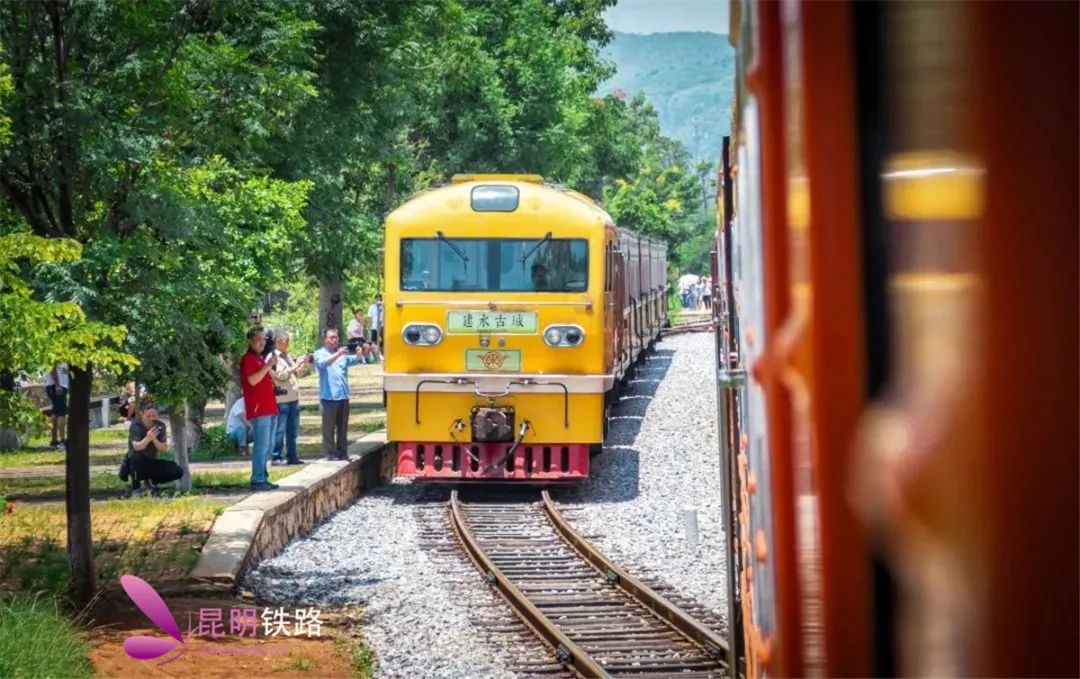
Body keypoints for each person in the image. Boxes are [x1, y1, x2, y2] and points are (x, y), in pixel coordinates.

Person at [240, 327, 280, 491]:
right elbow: (252, 380)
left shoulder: (259, 358)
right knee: (261, 445)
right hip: (259, 409)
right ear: (250, 341)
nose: (261, 343)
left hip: (269, 407)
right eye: (258, 340)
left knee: (269, 445)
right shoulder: (248, 359)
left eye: (264, 340)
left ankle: (263, 476)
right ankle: (257, 479)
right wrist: (268, 366)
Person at [313, 328, 361, 461]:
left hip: (343, 396)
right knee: (328, 428)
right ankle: (330, 453)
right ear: (325, 340)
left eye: (336, 337)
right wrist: (337, 354)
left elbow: (355, 360)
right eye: (332, 337)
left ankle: (342, 452)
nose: (335, 340)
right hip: (328, 397)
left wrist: (360, 353)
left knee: (343, 427)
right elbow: (322, 364)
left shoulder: (342, 355)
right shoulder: (320, 353)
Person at [122, 402, 183, 496]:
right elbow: (137, 447)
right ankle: (137, 488)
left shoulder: (160, 426)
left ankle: (151, 483)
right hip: (135, 462)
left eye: (154, 416)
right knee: (136, 457)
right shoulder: (136, 426)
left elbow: (164, 449)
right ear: (142, 414)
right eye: (148, 416)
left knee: (177, 471)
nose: (151, 419)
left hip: (151, 461)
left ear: (158, 415)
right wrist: (148, 438)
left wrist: (154, 439)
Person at [270, 331, 309, 466]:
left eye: (287, 341)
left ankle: (292, 456)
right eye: (284, 341)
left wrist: (302, 364)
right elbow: (281, 375)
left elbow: (298, 373)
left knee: (293, 429)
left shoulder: (286, 356)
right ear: (278, 341)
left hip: (293, 398)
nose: (286, 343)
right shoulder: (273, 357)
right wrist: (295, 366)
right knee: (279, 430)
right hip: (281, 399)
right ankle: (276, 456)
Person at [43, 363, 68, 448]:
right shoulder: (55, 353)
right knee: (61, 413)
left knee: (55, 413)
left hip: (52, 386)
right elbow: (51, 368)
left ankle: (54, 440)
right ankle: (62, 440)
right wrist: (57, 385)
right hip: (57, 386)